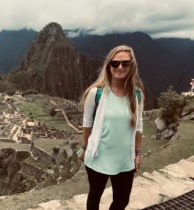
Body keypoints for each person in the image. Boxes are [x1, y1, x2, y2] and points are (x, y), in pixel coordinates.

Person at [79, 45, 145, 210]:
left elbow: (139, 126)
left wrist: (138, 153)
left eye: (125, 63)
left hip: (124, 159)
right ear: (108, 66)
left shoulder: (137, 95)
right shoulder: (96, 93)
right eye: (114, 63)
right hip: (98, 156)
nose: (120, 67)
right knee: (94, 196)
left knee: (122, 201)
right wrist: (85, 148)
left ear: (132, 66)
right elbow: (87, 123)